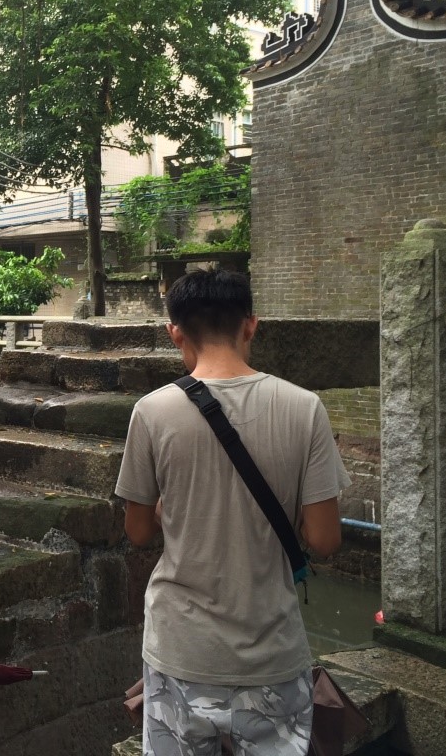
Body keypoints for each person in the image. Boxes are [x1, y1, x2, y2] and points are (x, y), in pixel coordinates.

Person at [115, 268, 350, 756]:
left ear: (175, 333)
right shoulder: (305, 407)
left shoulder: (152, 411)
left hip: (180, 651)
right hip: (272, 656)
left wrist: (168, 512)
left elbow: (137, 531)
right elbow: (325, 540)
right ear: (251, 325)